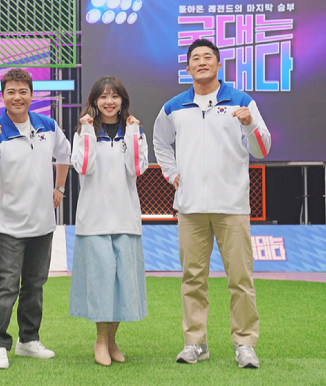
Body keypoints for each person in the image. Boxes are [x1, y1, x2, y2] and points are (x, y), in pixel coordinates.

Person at [153, 39, 271, 369]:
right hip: (190, 207)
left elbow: (262, 148)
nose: (202, 62)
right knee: (193, 278)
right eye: (196, 58)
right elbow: (160, 140)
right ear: (187, 68)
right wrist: (171, 171)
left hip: (232, 205)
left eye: (208, 58)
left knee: (241, 279)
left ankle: (245, 343)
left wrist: (248, 123)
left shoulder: (241, 102)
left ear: (219, 66)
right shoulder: (174, 107)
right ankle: (195, 343)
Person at [0, 68, 71, 369]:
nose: (17, 97)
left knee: (35, 284)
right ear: (2, 96)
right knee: (6, 286)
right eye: (11, 91)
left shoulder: (48, 125)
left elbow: (64, 155)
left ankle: (28, 340)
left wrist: (59, 187)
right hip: (11, 226)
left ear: (32, 94)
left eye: (23, 91)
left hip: (43, 224)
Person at [69, 76, 149, 366]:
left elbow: (137, 169)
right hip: (94, 221)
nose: (109, 102)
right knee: (101, 284)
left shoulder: (135, 133)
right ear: (94, 102)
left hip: (127, 221)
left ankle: (113, 339)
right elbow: (85, 168)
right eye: (103, 97)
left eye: (114, 96)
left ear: (122, 101)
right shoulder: (83, 134)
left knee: (123, 285)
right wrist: (88, 131)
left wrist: (132, 133)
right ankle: (100, 340)